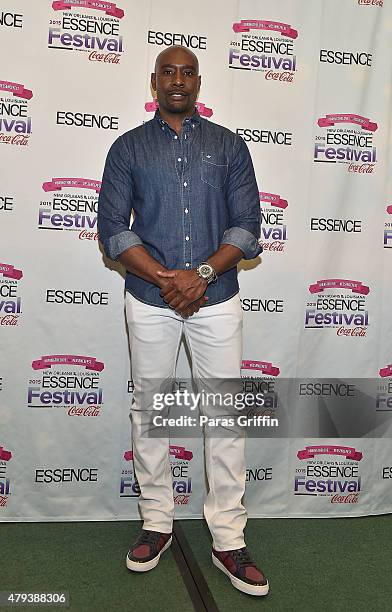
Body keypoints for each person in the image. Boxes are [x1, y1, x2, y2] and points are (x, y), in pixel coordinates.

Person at [97, 45, 269, 597]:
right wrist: (169, 279)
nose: (178, 80)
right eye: (168, 72)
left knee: (224, 413)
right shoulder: (127, 149)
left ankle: (228, 538)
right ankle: (156, 522)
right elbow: (113, 232)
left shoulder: (229, 146)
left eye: (187, 72)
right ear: (154, 82)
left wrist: (198, 274)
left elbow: (246, 228)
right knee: (151, 408)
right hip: (150, 299)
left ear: (198, 82)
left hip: (216, 298)